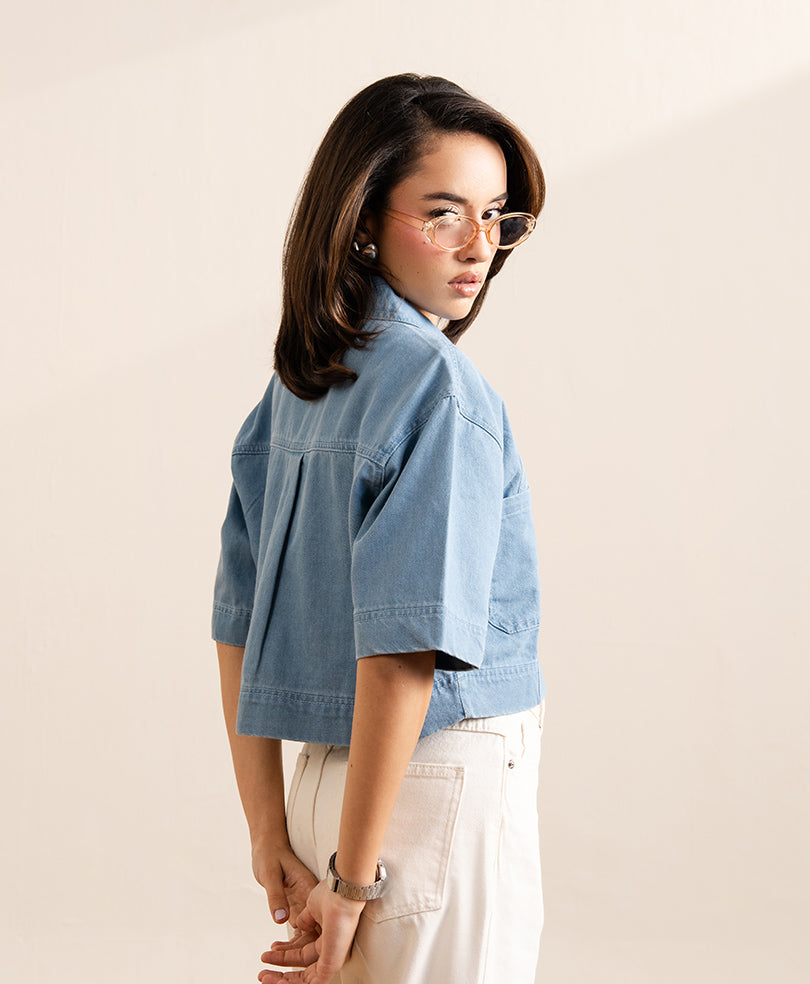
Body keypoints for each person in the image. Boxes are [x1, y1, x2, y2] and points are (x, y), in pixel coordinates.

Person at [212, 73, 547, 984]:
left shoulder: (297, 387)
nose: (479, 245)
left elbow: (236, 624)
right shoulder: (437, 386)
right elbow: (403, 651)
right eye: (443, 213)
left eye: (496, 215)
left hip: (325, 789)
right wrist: (354, 881)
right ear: (362, 220)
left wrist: (269, 829)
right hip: (431, 786)